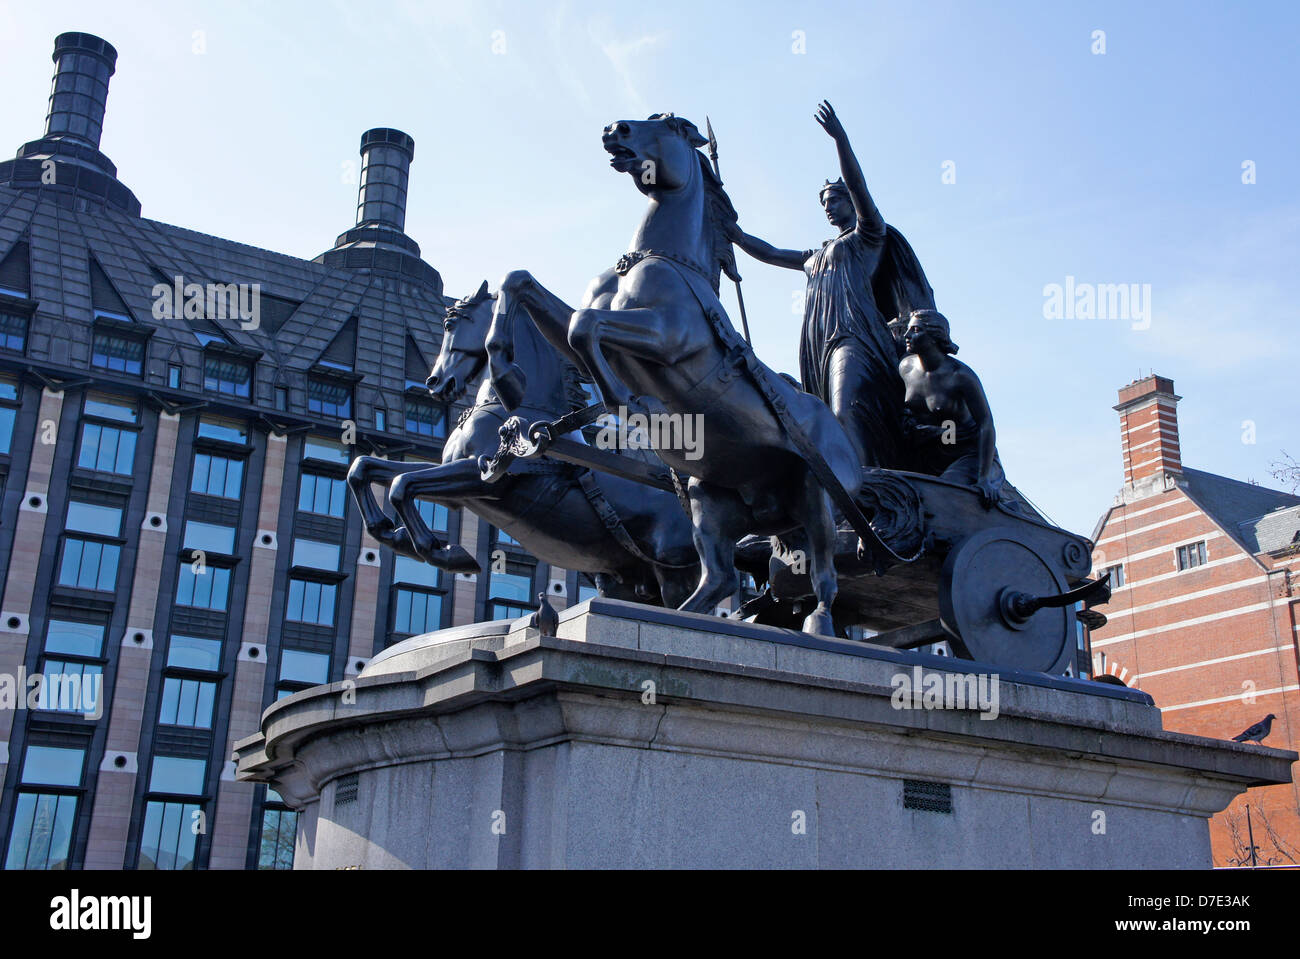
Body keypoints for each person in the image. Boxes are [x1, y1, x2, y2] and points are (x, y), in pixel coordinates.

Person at [727, 100, 935, 469]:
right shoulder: (814, 255)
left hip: (855, 336)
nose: (828, 206)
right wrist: (733, 232)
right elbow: (771, 252)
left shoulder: (868, 237)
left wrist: (841, 140)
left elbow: (859, 186)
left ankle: (868, 488)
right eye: (824, 201)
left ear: (851, 204)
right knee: (821, 416)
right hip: (816, 343)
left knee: (846, 409)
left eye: (835, 199)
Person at [897, 309, 1004, 507]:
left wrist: (984, 478)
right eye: (907, 329)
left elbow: (986, 424)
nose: (907, 335)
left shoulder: (960, 376)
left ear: (934, 336)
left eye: (916, 330)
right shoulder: (906, 368)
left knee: (942, 495)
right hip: (928, 454)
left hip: (967, 456)